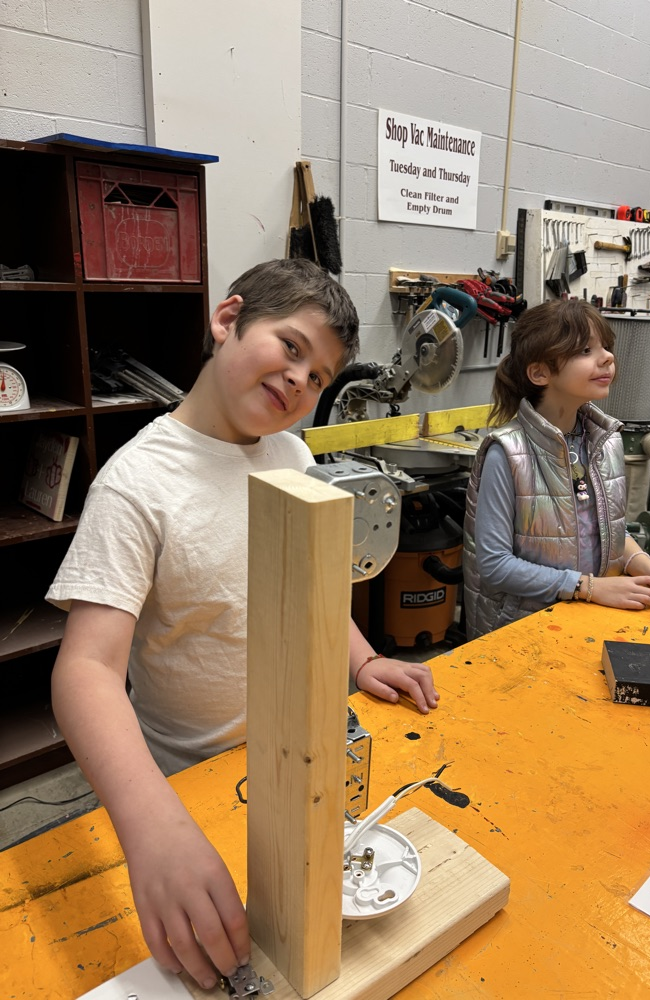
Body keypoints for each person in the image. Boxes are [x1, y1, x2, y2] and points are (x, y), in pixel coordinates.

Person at [47, 259, 438, 991]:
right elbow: (86, 672)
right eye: (290, 348)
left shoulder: (290, 453)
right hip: (193, 786)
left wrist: (360, 661)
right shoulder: (138, 483)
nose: (300, 380)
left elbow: (311, 584)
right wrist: (152, 829)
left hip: (297, 758)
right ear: (227, 321)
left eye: (319, 375)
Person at [463, 299, 650, 637]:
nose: (607, 357)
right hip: (521, 630)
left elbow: (607, 531)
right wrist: (589, 587)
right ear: (540, 372)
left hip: (589, 618)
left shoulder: (606, 441)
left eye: (606, 347)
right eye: (585, 350)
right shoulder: (508, 453)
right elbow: (495, 566)